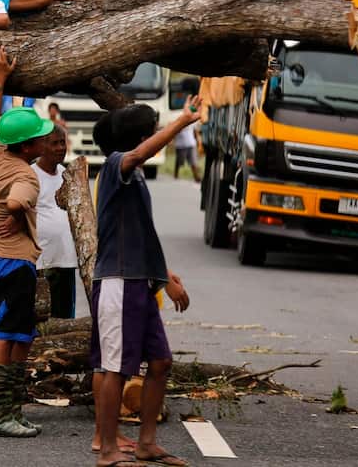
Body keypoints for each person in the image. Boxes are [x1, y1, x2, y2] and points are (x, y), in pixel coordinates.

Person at [90, 100, 197, 467]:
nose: (156, 137)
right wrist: (181, 123)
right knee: (116, 368)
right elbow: (139, 154)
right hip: (118, 282)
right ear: (141, 137)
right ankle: (106, 450)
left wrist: (164, 276)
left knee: (161, 362)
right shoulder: (117, 165)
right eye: (152, 130)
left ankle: (146, 443)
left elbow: (143, 234)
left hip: (141, 283)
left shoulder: (135, 177)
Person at [0, 45, 53, 438]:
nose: (45, 142)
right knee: (8, 335)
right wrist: (14, 214)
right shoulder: (27, 173)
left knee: (19, 334)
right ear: (26, 147)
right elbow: (16, 199)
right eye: (40, 139)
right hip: (14, 264)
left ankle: (10, 409)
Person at [33, 123, 80, 319]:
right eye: (55, 143)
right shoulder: (31, 174)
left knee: (65, 316)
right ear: (42, 146)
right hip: (41, 261)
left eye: (63, 142)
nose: (61, 148)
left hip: (66, 259)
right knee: (41, 315)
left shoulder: (66, 175)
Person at [172, 118, 200, 182]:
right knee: (179, 161)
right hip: (181, 145)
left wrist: (197, 140)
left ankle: (196, 177)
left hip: (191, 143)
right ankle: (176, 175)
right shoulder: (178, 120)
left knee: (193, 162)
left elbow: (195, 131)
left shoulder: (192, 120)